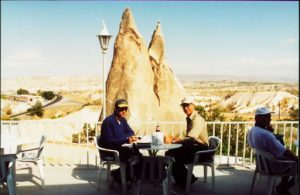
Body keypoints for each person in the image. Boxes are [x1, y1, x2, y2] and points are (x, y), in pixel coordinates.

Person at [247, 107, 298, 195]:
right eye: (266, 117)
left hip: (262, 165)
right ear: (257, 118)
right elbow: (284, 151)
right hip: (272, 166)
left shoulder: (252, 131)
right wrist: (297, 158)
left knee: (289, 161)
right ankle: (284, 187)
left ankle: (283, 185)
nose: (270, 119)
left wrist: (269, 132)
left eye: (269, 117)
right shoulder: (266, 135)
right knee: (295, 163)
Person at [165, 96, 209, 190]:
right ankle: (186, 179)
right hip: (195, 147)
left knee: (171, 155)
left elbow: (191, 138)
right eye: (184, 106)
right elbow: (187, 136)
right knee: (170, 154)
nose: (185, 108)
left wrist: (173, 142)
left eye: (188, 105)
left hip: (202, 151)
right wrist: (176, 140)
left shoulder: (197, 119)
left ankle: (186, 180)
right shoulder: (190, 118)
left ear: (193, 105)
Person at [98, 99, 142, 183]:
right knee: (128, 156)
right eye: (122, 109)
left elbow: (131, 132)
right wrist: (125, 139)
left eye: (126, 109)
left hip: (121, 147)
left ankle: (134, 177)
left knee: (139, 155)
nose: (124, 111)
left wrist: (125, 138)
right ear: (116, 108)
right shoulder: (108, 122)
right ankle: (120, 176)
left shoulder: (123, 120)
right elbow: (109, 141)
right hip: (111, 150)